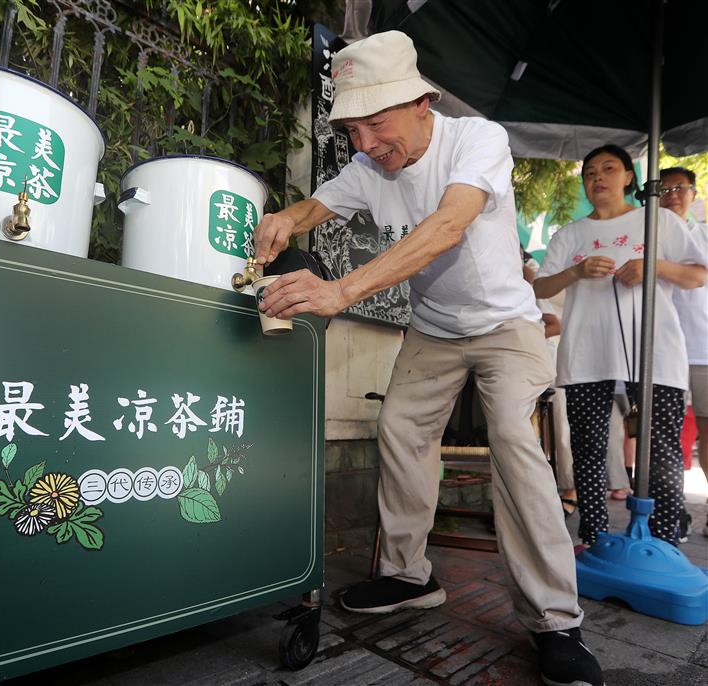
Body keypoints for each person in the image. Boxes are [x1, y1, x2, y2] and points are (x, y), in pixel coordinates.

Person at [253, 30, 604, 686]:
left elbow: (447, 225)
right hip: (435, 330)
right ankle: (409, 577)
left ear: (423, 102)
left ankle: (556, 620)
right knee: (401, 430)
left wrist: (343, 290)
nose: (365, 145)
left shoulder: (478, 141)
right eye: (352, 130)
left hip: (507, 325)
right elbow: (317, 204)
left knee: (509, 435)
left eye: (375, 125)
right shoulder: (367, 166)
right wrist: (284, 219)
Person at [533, 145, 707, 548]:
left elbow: (698, 275)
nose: (597, 177)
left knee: (660, 448)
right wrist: (576, 271)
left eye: (608, 168)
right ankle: (594, 536)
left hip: (655, 353)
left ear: (629, 177)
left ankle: (662, 540)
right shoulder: (570, 235)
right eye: (589, 172)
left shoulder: (659, 221)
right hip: (586, 356)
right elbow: (540, 287)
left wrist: (653, 267)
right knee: (588, 449)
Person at [660, 166, 708, 537]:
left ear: (693, 193)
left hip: (704, 350)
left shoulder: (704, 235)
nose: (673, 194)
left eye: (680, 188)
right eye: (665, 188)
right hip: (660, 351)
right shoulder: (647, 234)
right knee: (664, 436)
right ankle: (671, 511)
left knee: (706, 433)